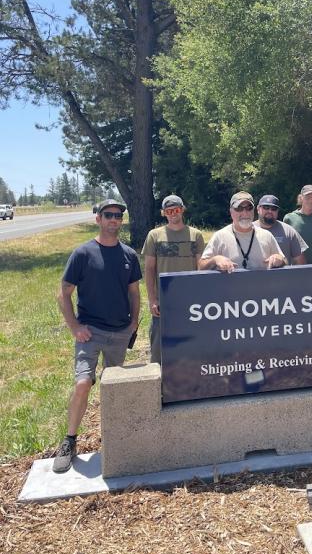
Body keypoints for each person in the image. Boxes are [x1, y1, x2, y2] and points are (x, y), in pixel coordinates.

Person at [53, 198, 142, 473]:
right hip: (90, 331)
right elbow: (63, 293)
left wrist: (134, 325)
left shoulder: (128, 255)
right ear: (98, 219)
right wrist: (74, 327)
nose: (114, 220)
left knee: (114, 390)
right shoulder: (82, 254)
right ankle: (69, 440)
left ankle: (116, 441)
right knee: (83, 383)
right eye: (108, 215)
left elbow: (134, 293)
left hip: (118, 332)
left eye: (118, 216)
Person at [141, 194, 205, 364]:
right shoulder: (154, 236)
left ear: (182, 210)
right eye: (169, 211)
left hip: (190, 301)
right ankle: (158, 381)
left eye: (176, 209)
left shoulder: (196, 235)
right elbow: (149, 269)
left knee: (191, 343)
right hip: (164, 300)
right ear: (164, 213)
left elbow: (201, 266)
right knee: (159, 347)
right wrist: (152, 299)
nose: (173, 213)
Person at [199, 191, 286, 272]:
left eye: (249, 208)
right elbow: (201, 267)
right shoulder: (220, 236)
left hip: (261, 287)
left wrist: (278, 259)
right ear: (231, 212)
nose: (245, 213)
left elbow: (284, 260)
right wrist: (215, 260)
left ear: (254, 210)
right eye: (239, 208)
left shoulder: (267, 236)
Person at [253, 194, 308, 265]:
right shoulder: (248, 230)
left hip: (283, 276)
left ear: (277, 211)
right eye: (266, 207)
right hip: (255, 275)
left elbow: (300, 261)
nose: (270, 211)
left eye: (274, 209)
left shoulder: (289, 231)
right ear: (258, 209)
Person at [283, 185, 312, 264]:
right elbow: (285, 245)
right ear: (301, 198)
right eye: (308, 197)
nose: (311, 200)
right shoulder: (289, 218)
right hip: (296, 268)